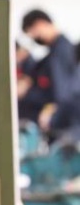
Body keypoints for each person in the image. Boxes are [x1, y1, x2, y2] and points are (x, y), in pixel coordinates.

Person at [21, 9, 80, 137]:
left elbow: (62, 93)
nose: (33, 37)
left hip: (62, 125)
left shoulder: (61, 51)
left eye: (33, 32)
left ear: (41, 24)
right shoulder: (53, 53)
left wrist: (50, 109)